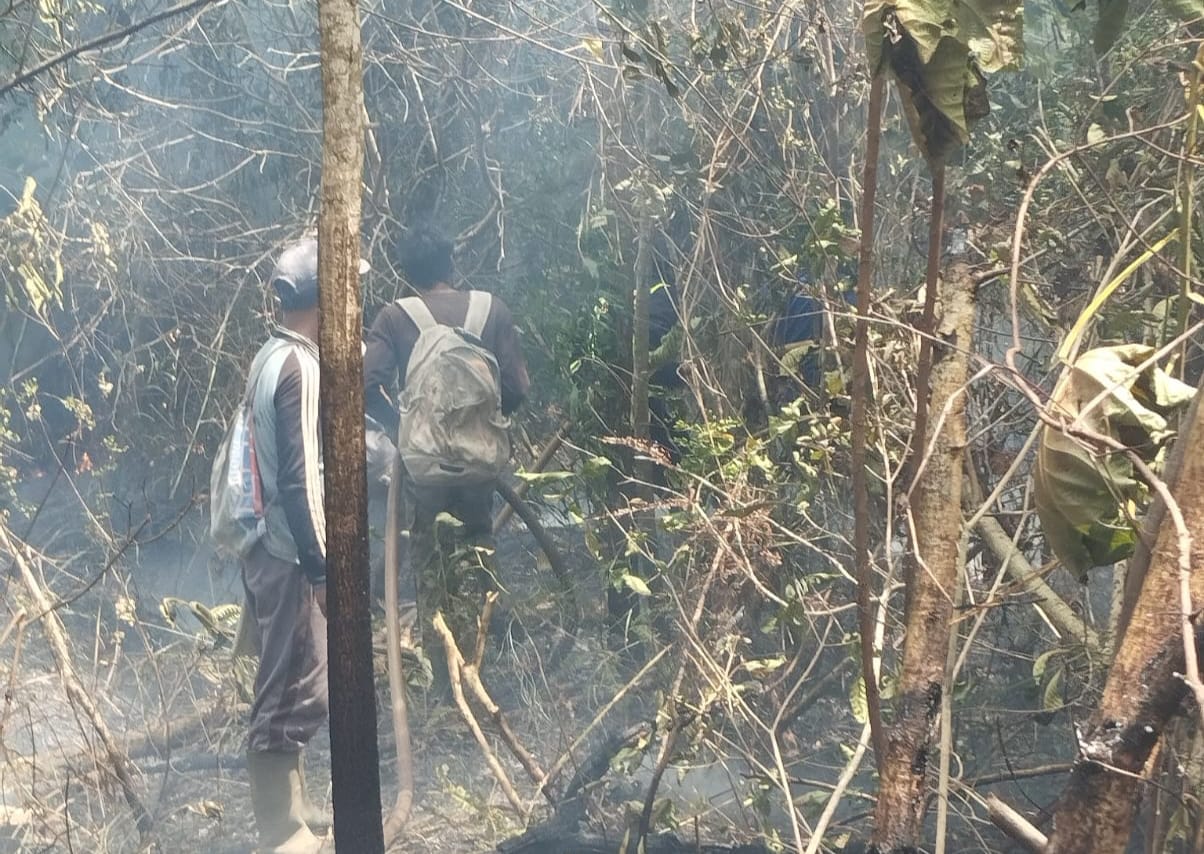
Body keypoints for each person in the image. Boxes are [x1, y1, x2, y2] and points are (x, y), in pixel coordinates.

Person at [239, 237, 360, 853]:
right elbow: (297, 477)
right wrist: (320, 566)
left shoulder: (272, 355)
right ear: (325, 295)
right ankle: (283, 834)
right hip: (289, 553)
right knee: (291, 689)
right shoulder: (299, 368)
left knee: (292, 681)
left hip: (271, 548)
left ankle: (296, 814)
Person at [364, 224, 529, 673]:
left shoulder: (395, 317)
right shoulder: (491, 310)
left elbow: (369, 384)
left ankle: (444, 677)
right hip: (480, 463)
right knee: (480, 546)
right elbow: (517, 387)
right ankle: (487, 666)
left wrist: (408, 427)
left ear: (406, 273)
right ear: (450, 263)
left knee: (430, 560)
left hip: (424, 468)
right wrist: (484, 421)